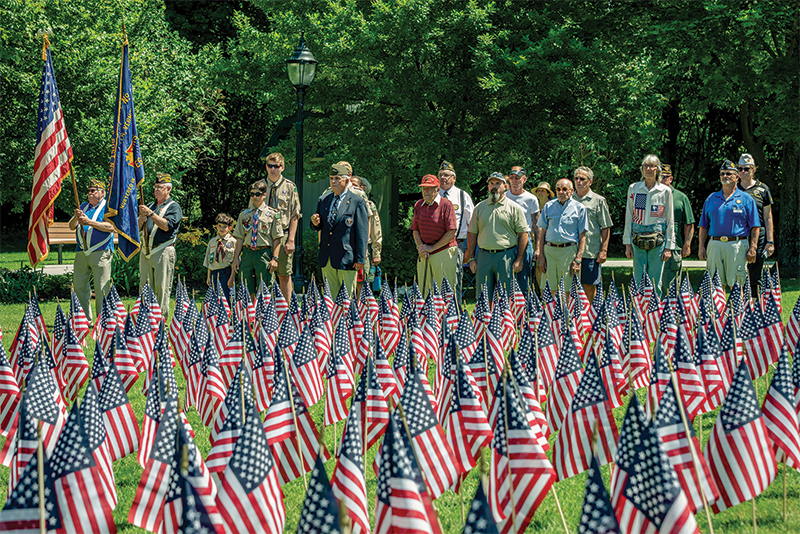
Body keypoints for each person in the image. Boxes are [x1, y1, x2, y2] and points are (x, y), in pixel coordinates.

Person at [464, 172, 529, 300]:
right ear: (488, 187)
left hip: (506, 256)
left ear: (505, 187)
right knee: (483, 297)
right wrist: (471, 258)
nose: (494, 186)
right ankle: (485, 321)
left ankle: (506, 321)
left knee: (507, 297)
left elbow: (523, 234)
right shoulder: (479, 208)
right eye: (492, 183)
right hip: (483, 256)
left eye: (498, 183)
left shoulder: (514, 208)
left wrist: (519, 259)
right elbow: (472, 233)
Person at [698, 160, 760, 290]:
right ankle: (717, 311)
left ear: (737, 177)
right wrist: (701, 247)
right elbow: (703, 226)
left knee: (737, 285)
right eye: (722, 174)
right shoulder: (711, 198)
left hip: (737, 245)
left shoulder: (746, 199)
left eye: (729, 174)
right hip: (714, 244)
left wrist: (753, 248)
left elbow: (755, 226)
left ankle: (737, 311)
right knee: (715, 285)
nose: (725, 176)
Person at [310, 163, 369, 297]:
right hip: (328, 257)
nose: (333, 182)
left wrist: (360, 259)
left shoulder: (357, 201)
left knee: (347, 299)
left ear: (346, 180)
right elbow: (320, 226)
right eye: (331, 178)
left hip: (347, 258)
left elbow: (362, 233)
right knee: (330, 301)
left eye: (337, 178)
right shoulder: (324, 200)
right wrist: (315, 222)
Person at [622, 154, 674, 297]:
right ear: (642, 169)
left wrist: (669, 247)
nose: (648, 169)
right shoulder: (634, 188)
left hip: (658, 239)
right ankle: (639, 315)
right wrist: (627, 244)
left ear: (657, 169)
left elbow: (670, 220)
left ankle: (654, 316)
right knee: (638, 281)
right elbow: (629, 216)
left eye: (652, 166)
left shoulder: (665, 191)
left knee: (655, 281)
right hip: (637, 238)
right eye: (646, 166)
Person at [69, 178, 114, 321]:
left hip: (101, 251)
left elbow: (111, 227)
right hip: (82, 251)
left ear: (102, 192)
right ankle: (83, 320)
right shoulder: (83, 206)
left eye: (93, 191)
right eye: (89, 191)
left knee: (101, 288)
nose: (90, 194)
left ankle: (103, 320)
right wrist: (76, 217)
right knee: (79, 285)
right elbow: (71, 226)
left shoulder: (109, 207)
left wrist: (89, 222)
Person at [138, 173, 182, 317]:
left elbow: (166, 226)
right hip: (146, 251)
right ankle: (145, 319)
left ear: (168, 189)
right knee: (144, 287)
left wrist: (150, 214)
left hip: (163, 250)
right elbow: (137, 227)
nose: (156, 190)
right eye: (156, 187)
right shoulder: (150, 205)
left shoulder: (174, 207)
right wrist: (141, 219)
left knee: (161, 288)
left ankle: (161, 320)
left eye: (160, 187)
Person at [534, 178, 588, 296]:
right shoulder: (548, 206)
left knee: (569, 289)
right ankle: (552, 313)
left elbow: (582, 235)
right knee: (549, 287)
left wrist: (578, 258)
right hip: (550, 251)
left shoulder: (580, 208)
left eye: (565, 189)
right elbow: (541, 231)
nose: (561, 192)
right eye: (558, 189)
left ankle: (568, 314)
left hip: (569, 251)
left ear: (572, 190)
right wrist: (541, 256)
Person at [231, 181, 284, 299]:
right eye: (252, 194)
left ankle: (263, 314)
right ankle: (249, 314)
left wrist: (275, 259)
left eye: (258, 194)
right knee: (245, 286)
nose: (255, 197)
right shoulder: (244, 215)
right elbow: (240, 237)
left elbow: (277, 238)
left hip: (263, 253)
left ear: (264, 195)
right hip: (247, 253)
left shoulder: (273, 214)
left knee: (265, 286)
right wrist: (236, 258)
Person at [411, 174, 459, 299]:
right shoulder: (418, 205)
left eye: (430, 188)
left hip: (444, 251)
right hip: (424, 253)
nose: (426, 191)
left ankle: (447, 318)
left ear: (437, 189)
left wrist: (432, 248)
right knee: (423, 292)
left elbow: (451, 232)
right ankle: (426, 318)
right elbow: (415, 230)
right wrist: (421, 247)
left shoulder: (446, 205)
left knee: (445, 293)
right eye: (424, 188)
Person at [262, 152, 301, 301]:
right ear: (266, 167)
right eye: (270, 166)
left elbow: (294, 215)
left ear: (282, 167)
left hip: (283, 235)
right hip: (262, 236)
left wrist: (291, 239)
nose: (273, 169)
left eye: (276, 166)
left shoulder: (290, 187)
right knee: (263, 273)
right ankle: (264, 311)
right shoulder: (259, 186)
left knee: (284, 274)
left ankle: (287, 310)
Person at [571, 167, 612, 303]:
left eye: (582, 179)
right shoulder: (568, 198)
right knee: (570, 288)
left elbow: (605, 227)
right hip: (569, 251)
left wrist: (603, 251)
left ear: (590, 181)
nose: (578, 181)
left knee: (588, 288)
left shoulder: (598, 200)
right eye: (576, 178)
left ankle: (590, 319)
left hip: (590, 251)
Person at [736, 153, 774, 296]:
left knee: (755, 274)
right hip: (738, 235)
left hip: (759, 236)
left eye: (747, 169)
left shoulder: (763, 189)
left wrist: (770, 241)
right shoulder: (733, 189)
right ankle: (739, 307)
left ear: (754, 170)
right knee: (737, 275)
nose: (743, 172)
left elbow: (768, 216)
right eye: (740, 169)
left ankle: (756, 307)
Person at [438, 160, 474, 299]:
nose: (443, 178)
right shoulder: (433, 195)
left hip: (456, 245)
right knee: (436, 281)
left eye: (447, 175)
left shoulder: (462, 196)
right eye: (441, 175)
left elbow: (472, 225)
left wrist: (469, 251)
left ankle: (456, 315)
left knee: (454, 283)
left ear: (454, 178)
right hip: (434, 246)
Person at [659, 164, 695, 296]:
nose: (663, 179)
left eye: (666, 177)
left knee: (671, 286)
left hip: (675, 246)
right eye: (660, 177)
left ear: (671, 179)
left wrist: (687, 244)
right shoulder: (651, 194)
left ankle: (672, 314)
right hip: (653, 246)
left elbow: (689, 223)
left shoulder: (680, 197)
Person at [505, 166, 540, 293]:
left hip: (525, 243)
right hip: (506, 242)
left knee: (524, 280)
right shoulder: (503, 197)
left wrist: (537, 248)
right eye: (512, 177)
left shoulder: (531, 199)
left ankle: (525, 310)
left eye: (518, 178)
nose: (514, 180)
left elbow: (536, 226)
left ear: (524, 179)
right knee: (506, 280)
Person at [351, 175, 382, 298]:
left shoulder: (369, 205)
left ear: (362, 188)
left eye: (354, 184)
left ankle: (361, 310)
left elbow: (376, 230)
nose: (351, 186)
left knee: (361, 282)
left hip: (362, 251)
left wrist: (376, 252)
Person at [204, 213, 236, 304]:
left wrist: (232, 278)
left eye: (224, 227)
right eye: (220, 226)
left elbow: (234, 263)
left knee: (227, 298)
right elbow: (209, 261)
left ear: (229, 228)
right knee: (214, 300)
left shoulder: (233, 242)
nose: (221, 229)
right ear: (216, 227)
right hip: (214, 273)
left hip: (226, 273)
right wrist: (208, 276)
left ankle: (230, 317)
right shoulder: (212, 242)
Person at [533, 181, 555, 291]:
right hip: (534, 240)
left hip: (549, 241)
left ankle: (550, 290)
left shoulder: (552, 206)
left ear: (548, 193)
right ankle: (541, 292)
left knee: (548, 265)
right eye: (539, 190)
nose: (540, 192)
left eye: (543, 190)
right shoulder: (534, 205)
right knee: (537, 266)